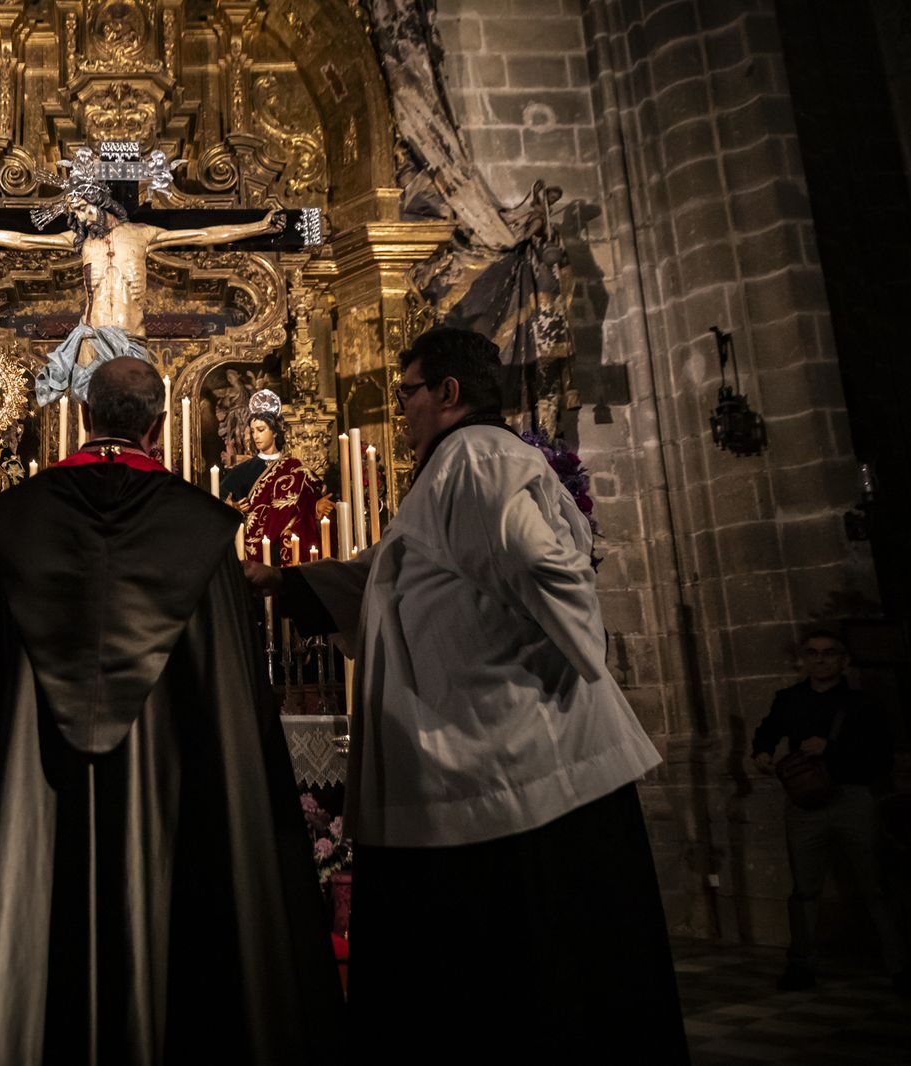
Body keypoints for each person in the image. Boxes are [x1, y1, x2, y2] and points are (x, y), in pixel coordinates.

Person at [0, 357, 344, 1066]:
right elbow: (227, 707)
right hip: (169, 803)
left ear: (85, 417)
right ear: (157, 426)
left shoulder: (14, 526)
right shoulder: (202, 532)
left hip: (29, 803)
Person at [247, 326, 687, 1061]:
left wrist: (579, 644)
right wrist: (287, 583)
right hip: (490, 756)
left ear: (448, 393)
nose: (403, 410)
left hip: (512, 757)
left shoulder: (477, 460)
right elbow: (402, 583)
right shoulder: (455, 467)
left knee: (519, 978)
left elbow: (547, 562)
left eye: (409, 392)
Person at [0, 176, 281, 404]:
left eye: (82, 208)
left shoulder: (141, 234)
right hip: (91, 339)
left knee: (131, 410)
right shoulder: (78, 242)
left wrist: (260, 226)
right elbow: (22, 240)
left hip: (131, 338)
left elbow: (204, 235)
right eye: (74, 212)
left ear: (99, 202)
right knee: (93, 411)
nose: (78, 217)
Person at [751, 629, 907, 993]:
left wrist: (832, 747)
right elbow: (768, 730)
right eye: (813, 652)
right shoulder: (789, 699)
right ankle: (801, 966)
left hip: (852, 798)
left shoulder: (862, 704)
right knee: (804, 890)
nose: (820, 659)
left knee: (876, 886)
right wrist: (762, 750)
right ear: (804, 659)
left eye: (828, 652)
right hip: (805, 804)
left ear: (843, 660)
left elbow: (881, 756)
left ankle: (899, 964)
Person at [219, 390, 321, 563]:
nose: (256, 436)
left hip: (287, 544)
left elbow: (308, 502)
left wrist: (317, 506)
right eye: (252, 431)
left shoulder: (295, 468)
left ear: (274, 432)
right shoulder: (241, 471)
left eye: (261, 430)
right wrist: (232, 507)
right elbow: (221, 499)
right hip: (254, 550)